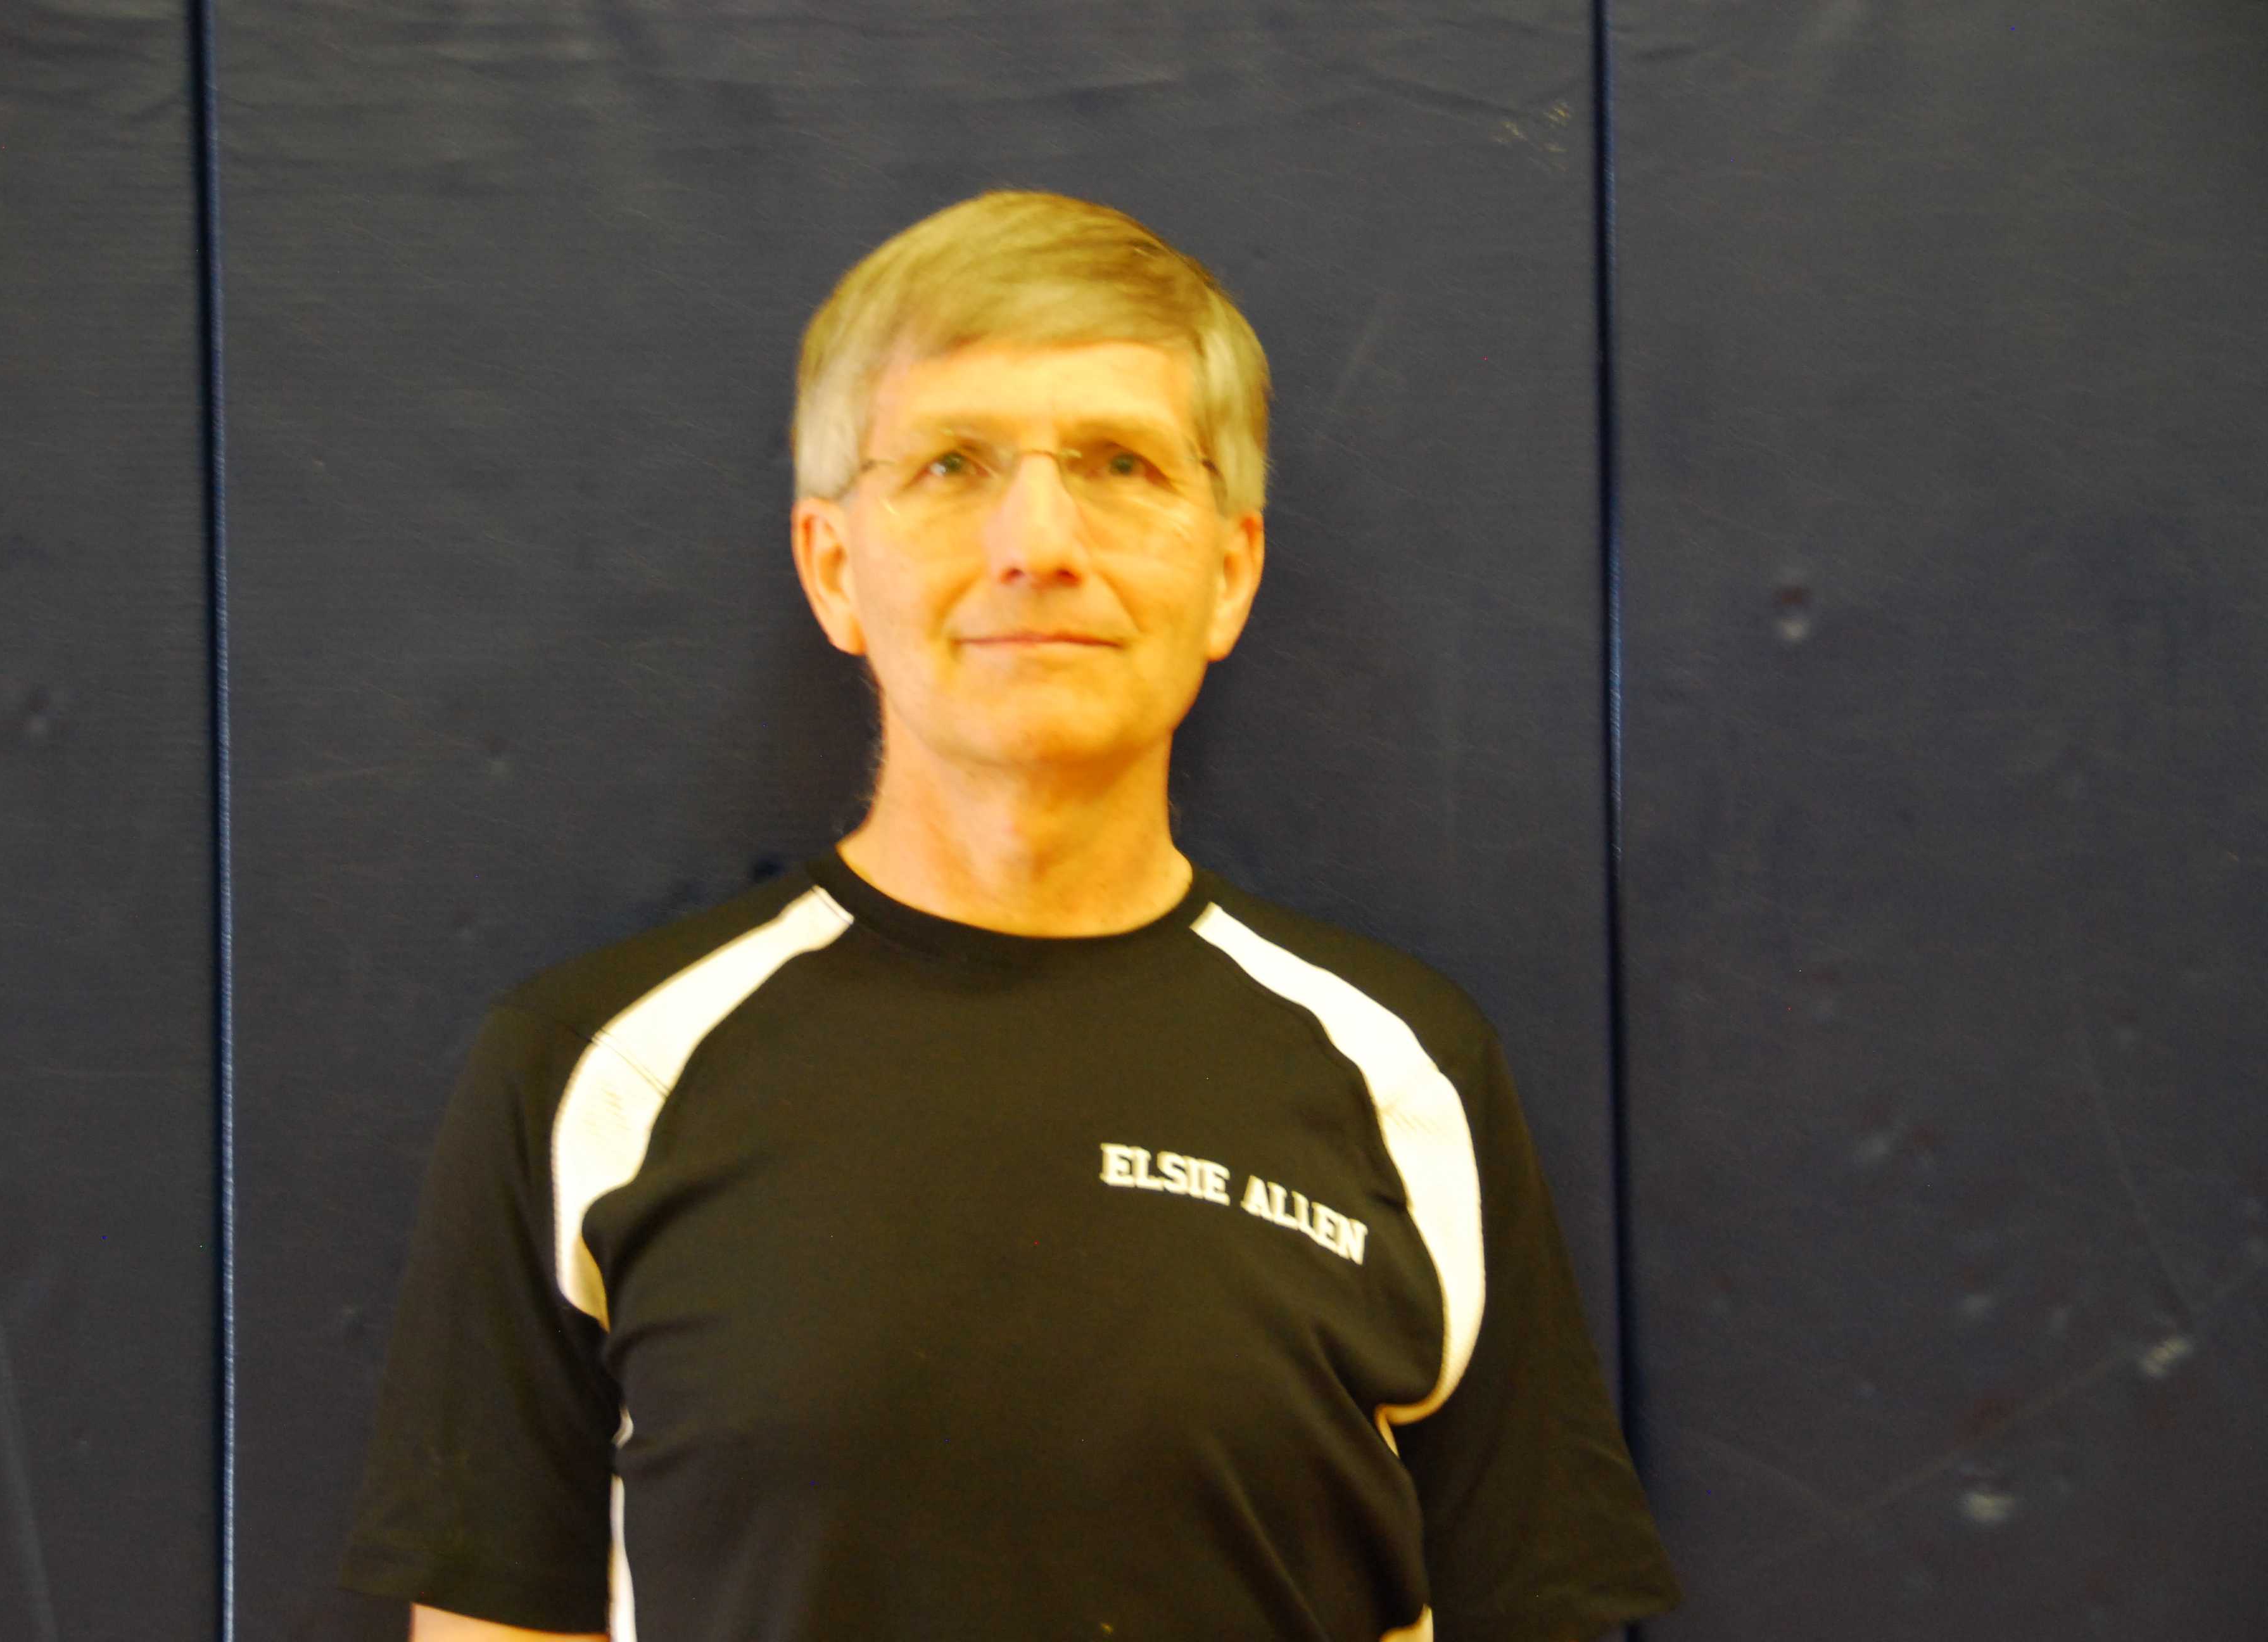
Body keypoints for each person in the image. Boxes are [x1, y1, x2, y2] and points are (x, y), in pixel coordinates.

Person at [341, 191, 1680, 1642]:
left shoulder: (1403, 1070)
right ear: (833, 567)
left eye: (1120, 464)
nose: (1037, 542)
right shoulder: (597, 1070)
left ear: (1227, 573)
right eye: (951, 465)